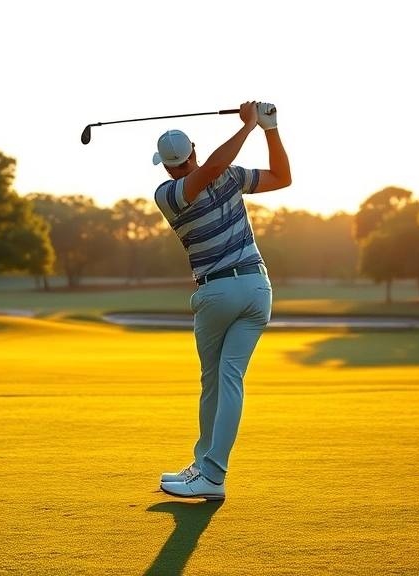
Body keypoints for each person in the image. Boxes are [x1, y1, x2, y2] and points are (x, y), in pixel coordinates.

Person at [153, 101, 291, 500]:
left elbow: (282, 178)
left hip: (218, 291)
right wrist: (257, 127)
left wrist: (268, 127)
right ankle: (204, 467)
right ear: (193, 151)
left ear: (165, 164)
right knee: (224, 381)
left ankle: (212, 475)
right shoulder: (180, 192)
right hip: (257, 290)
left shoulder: (168, 191)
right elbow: (272, 175)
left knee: (216, 382)